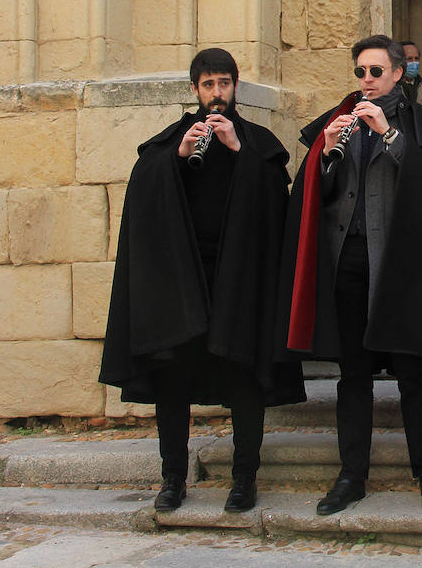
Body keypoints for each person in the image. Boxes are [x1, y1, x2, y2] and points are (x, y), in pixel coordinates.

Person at [100, 48, 304, 515]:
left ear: (235, 87)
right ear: (195, 89)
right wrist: (177, 157)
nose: (217, 94)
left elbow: (276, 204)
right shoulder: (169, 143)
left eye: (225, 84)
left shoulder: (258, 143)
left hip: (239, 284)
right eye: (209, 85)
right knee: (173, 381)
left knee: (243, 380)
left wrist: (238, 151)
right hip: (183, 286)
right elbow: (144, 202)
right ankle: (172, 478)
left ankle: (243, 479)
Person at [277, 35, 422, 515]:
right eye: (360, 72)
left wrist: (388, 134)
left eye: (375, 72)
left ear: (398, 73)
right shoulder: (338, 122)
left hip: (401, 266)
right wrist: (324, 153)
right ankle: (351, 476)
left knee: (413, 377)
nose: (366, 81)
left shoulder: (419, 125)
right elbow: (314, 197)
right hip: (349, 262)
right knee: (354, 376)